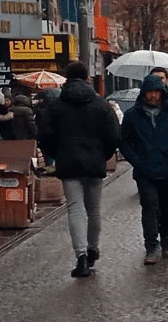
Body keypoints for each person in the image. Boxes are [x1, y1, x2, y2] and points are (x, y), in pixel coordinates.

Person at [37, 61, 120, 278]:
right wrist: (103, 154)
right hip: (94, 162)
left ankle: (81, 256)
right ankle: (93, 248)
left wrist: (57, 153)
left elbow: (44, 134)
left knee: (75, 208)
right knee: (94, 209)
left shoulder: (56, 106)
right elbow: (113, 135)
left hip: (68, 161)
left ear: (67, 78)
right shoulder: (101, 104)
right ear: (87, 78)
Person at [119, 75, 168, 264]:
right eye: (150, 92)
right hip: (145, 170)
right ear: (144, 93)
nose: (153, 96)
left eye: (156, 92)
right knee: (149, 205)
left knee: (167, 206)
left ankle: (166, 238)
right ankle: (151, 244)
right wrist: (137, 160)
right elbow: (124, 141)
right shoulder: (132, 115)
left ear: (162, 93)